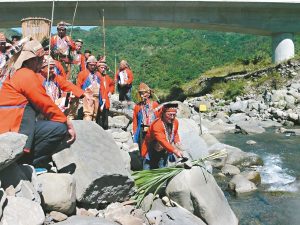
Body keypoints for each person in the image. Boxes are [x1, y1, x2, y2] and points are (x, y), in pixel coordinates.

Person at [0, 40, 76, 167]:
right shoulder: (27, 75)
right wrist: (66, 122)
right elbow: (45, 104)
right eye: (42, 61)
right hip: (14, 124)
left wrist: (78, 95)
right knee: (59, 129)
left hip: (13, 120)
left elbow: (65, 86)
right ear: (34, 60)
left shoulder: (20, 74)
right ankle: (28, 162)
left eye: (53, 68)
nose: (51, 70)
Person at [141, 103, 183, 170]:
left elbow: (175, 132)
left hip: (165, 149)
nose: (172, 117)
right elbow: (162, 140)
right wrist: (175, 151)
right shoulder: (157, 125)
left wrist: (177, 141)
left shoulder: (175, 122)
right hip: (151, 149)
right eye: (169, 114)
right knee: (148, 168)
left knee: (162, 168)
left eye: (174, 115)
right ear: (163, 114)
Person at [133, 82, 160, 150]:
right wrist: (134, 133)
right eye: (141, 93)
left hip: (153, 130)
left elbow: (159, 118)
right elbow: (135, 120)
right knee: (143, 149)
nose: (142, 95)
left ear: (148, 93)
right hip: (142, 130)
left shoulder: (155, 104)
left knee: (153, 149)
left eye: (144, 93)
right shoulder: (137, 106)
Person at [76, 55, 100, 121]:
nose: (92, 66)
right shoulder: (82, 73)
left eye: (94, 65)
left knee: (95, 114)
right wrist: (80, 95)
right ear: (87, 64)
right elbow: (78, 85)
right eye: (91, 65)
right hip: (87, 96)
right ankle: (87, 128)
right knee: (88, 114)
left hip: (97, 96)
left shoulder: (98, 74)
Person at [96, 61, 115, 129]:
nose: (103, 69)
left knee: (105, 117)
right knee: (97, 117)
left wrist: (110, 91)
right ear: (98, 68)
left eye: (104, 68)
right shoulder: (96, 76)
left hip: (106, 100)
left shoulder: (107, 77)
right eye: (101, 67)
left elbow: (112, 84)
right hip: (98, 99)